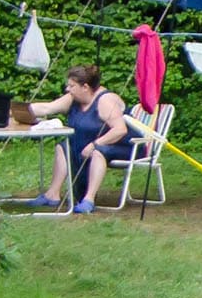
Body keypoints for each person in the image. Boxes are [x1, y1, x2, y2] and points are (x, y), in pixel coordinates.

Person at [30, 64, 144, 214]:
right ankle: (52, 194)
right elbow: (47, 108)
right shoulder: (73, 98)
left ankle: (88, 200)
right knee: (63, 146)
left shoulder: (105, 101)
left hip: (127, 146)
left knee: (98, 151)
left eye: (71, 86)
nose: (67, 89)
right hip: (94, 145)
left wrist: (95, 144)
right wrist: (15, 111)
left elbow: (120, 130)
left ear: (85, 87)